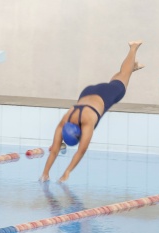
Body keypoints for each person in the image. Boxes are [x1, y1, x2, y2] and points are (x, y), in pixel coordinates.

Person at [40, 41, 144, 183]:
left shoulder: (87, 122)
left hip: (105, 95)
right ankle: (131, 67)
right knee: (117, 79)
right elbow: (54, 150)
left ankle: (133, 47)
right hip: (87, 92)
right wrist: (45, 173)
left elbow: (81, 151)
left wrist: (67, 172)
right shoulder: (64, 121)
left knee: (122, 77)